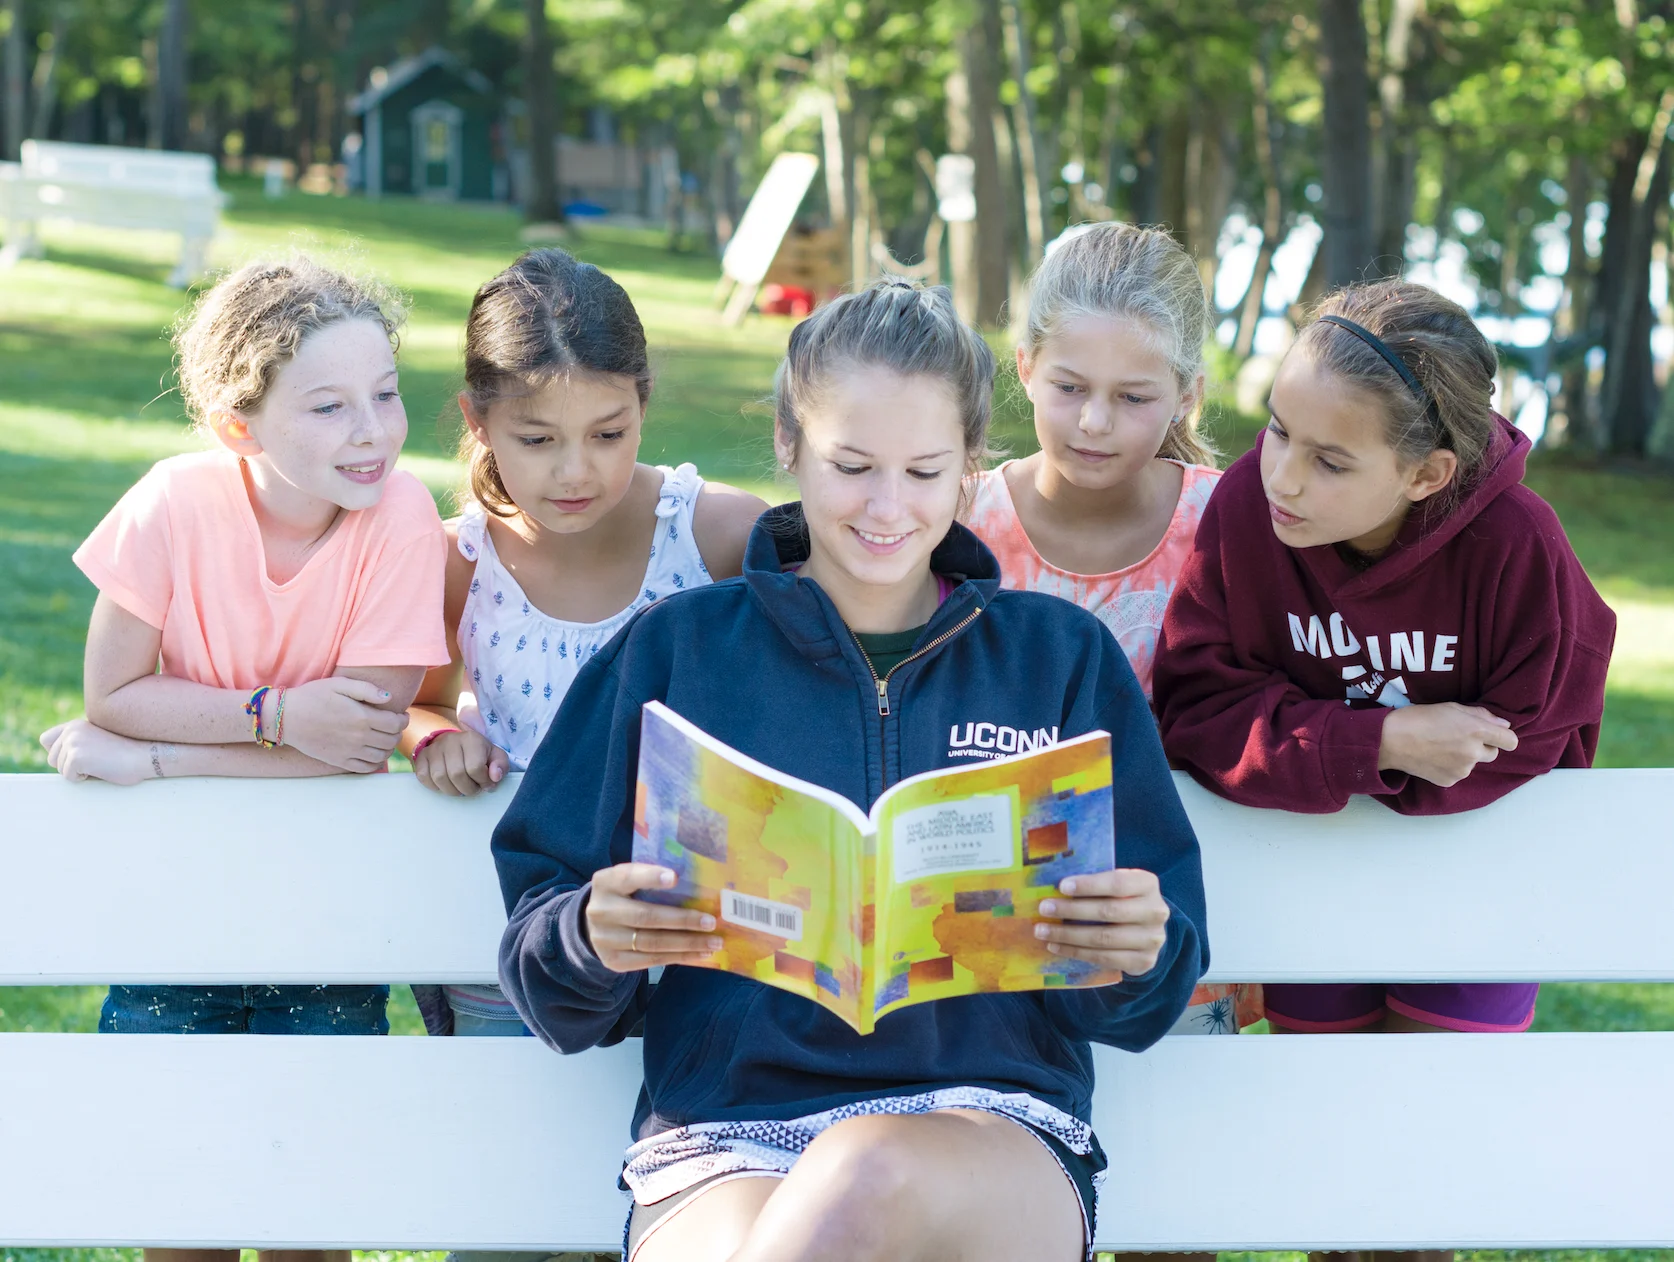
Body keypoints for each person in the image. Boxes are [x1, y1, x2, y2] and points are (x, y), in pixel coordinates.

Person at [492, 278, 1208, 1262]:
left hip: (992, 1129)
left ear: (970, 470)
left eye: (923, 471)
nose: (886, 507)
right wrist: (590, 933)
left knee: (862, 1169)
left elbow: (1146, 987)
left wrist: (1138, 944)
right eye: (852, 464)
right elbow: (545, 952)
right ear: (790, 442)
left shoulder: (1058, 661)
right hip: (723, 1140)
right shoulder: (676, 654)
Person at [40, 255, 449, 1262]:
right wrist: (279, 713)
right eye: (328, 406)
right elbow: (115, 697)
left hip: (325, 921)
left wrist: (163, 761)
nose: (373, 431)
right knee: (180, 1208)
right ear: (240, 426)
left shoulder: (402, 516)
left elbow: (355, 745)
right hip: (174, 911)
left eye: (387, 395)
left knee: (310, 1213)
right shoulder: (171, 504)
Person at [1153, 278, 1615, 1047]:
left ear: (1426, 475)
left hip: (1478, 877)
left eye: (1330, 462)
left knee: (1440, 1115)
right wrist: (1380, 746)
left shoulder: (1516, 544)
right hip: (1311, 862)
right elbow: (1198, 709)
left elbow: (1545, 732)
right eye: (1277, 430)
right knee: (1326, 1101)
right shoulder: (1245, 510)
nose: (1284, 476)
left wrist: (1331, 769)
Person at [398, 247, 765, 1054]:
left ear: (644, 402)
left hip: (699, 950)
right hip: (521, 950)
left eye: (609, 433)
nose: (576, 471)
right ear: (477, 422)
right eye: (535, 439)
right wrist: (435, 736)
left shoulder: (718, 537)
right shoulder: (460, 561)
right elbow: (419, 700)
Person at [965, 220, 1257, 1041]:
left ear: (1188, 394)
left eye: (1134, 398)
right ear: (1024, 367)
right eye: (1069, 387)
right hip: (981, 972)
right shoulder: (958, 519)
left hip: (1166, 967)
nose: (1095, 421)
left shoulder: (1231, 525)